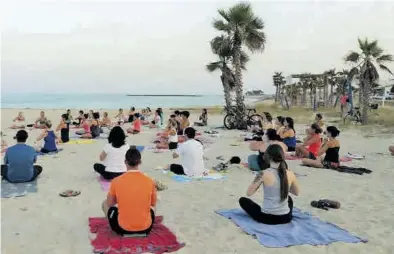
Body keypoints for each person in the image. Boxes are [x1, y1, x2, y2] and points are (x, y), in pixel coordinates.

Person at [239, 144, 300, 225]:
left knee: (243, 200)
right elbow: (296, 192)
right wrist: (284, 186)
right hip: (286, 217)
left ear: (268, 156)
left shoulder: (263, 173)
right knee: (289, 198)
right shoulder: (290, 173)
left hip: (268, 218)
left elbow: (249, 193)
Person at [101, 148, 156, 235]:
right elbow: (153, 203)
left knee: (104, 203)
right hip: (146, 228)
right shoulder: (149, 181)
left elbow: (109, 204)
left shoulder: (116, 181)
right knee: (152, 208)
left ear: (125, 162)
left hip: (122, 228)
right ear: (140, 162)